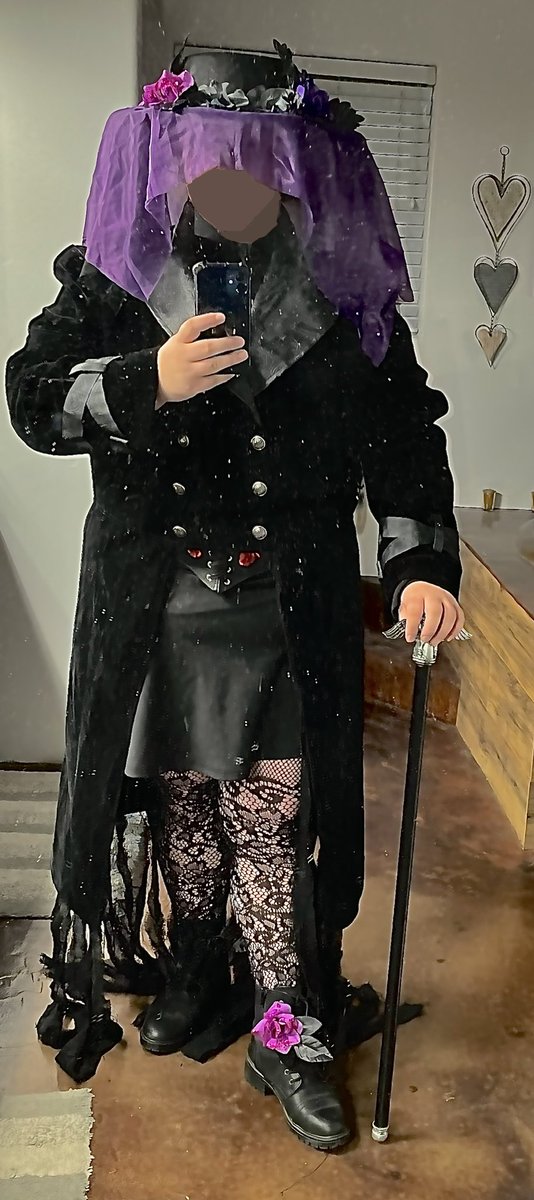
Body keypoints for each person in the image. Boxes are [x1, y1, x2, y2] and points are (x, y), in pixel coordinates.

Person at [5, 42, 464, 1151]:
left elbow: (406, 435)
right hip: (156, 606)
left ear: (295, 161)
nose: (234, 182)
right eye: (212, 159)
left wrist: (419, 565)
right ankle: (196, 977)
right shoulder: (116, 272)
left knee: (271, 819)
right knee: (184, 804)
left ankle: (286, 1026)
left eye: (259, 160)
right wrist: (144, 381)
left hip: (287, 604)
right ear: (174, 157)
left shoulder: (344, 282)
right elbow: (30, 398)